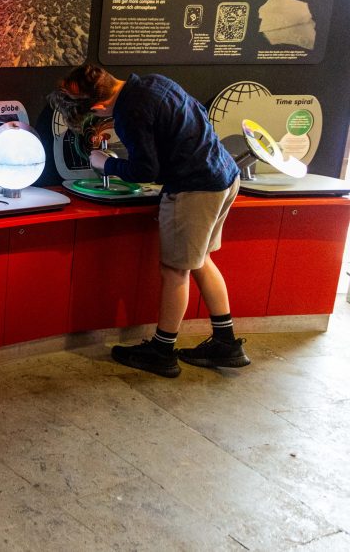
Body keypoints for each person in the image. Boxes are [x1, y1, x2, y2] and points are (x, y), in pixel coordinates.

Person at [48, 63, 249, 377]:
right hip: (224, 176)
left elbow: (145, 171)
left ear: (99, 106)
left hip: (194, 188)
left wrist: (106, 164)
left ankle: (162, 351)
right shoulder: (152, 83)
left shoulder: (131, 113)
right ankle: (226, 343)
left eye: (95, 116)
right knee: (200, 260)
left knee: (174, 271)